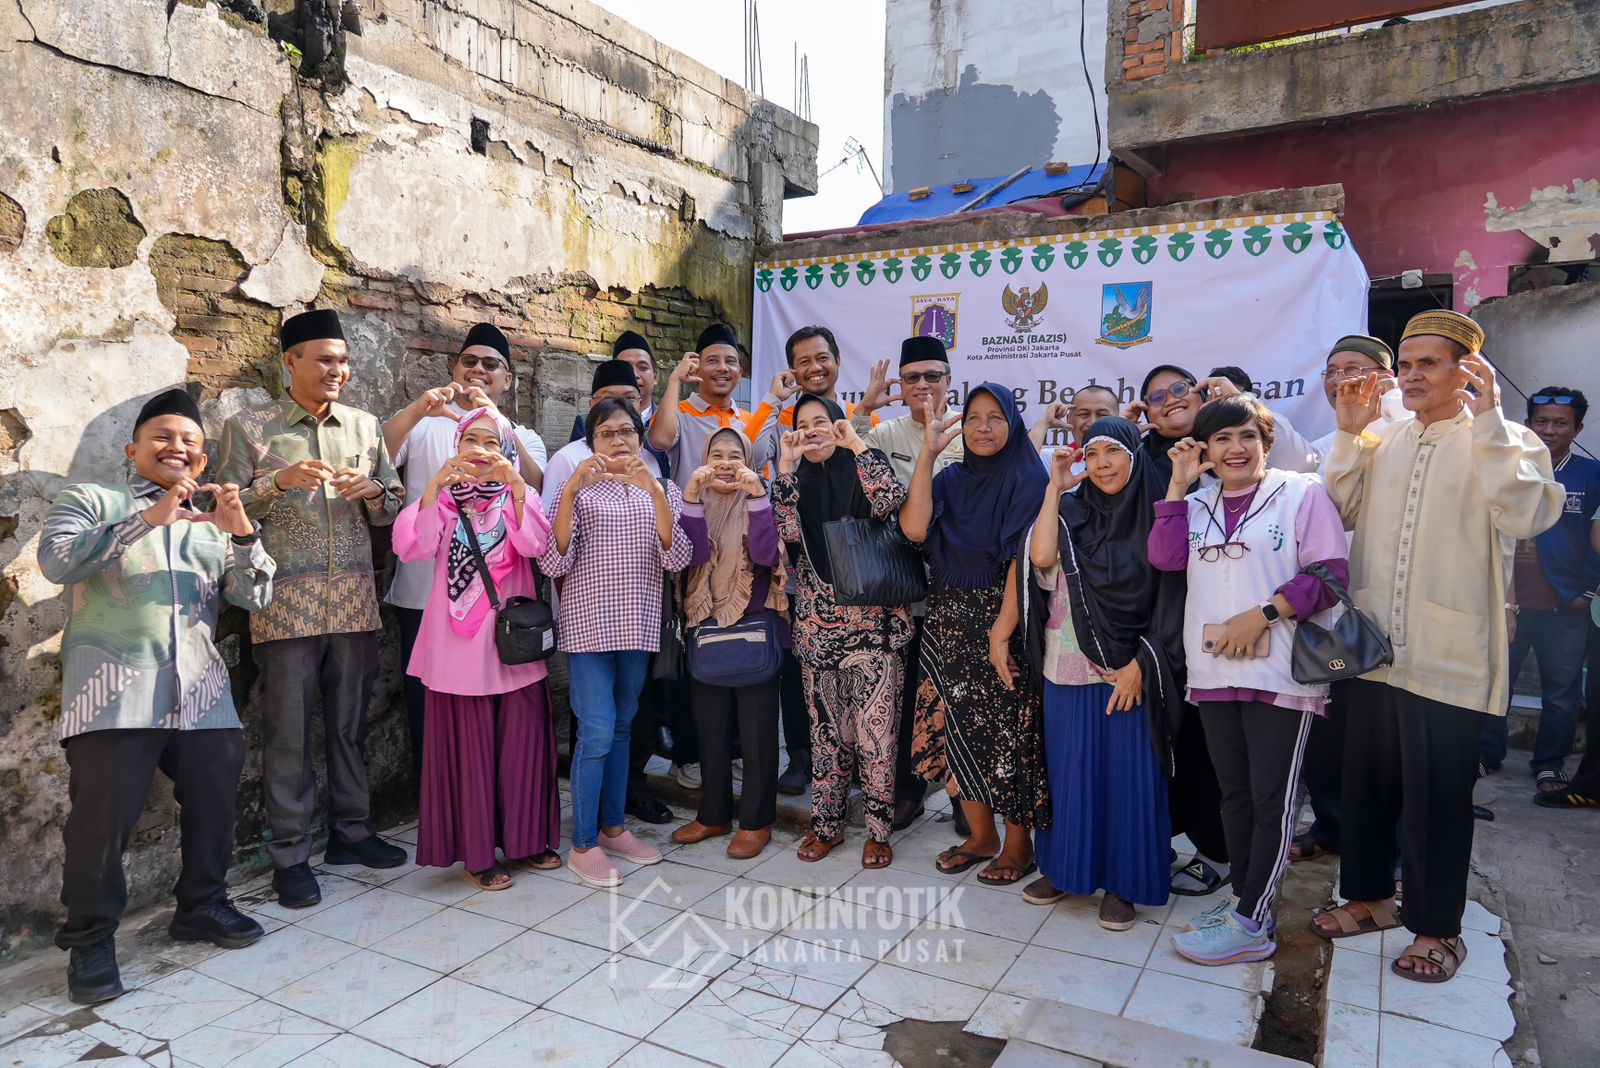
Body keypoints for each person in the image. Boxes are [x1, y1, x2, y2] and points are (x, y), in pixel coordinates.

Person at [1316, 309, 1562, 983]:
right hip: (1374, 647)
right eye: (1407, 362)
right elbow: (1336, 514)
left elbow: (1526, 513)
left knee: (1437, 798)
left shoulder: (1508, 440)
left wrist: (1488, 425)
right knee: (1363, 784)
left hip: (1450, 651)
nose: (1413, 374)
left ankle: (1437, 929)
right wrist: (1347, 435)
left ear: (1468, 371)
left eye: (1430, 362)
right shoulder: (1383, 438)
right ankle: (1370, 898)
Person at [41, 389, 275, 1005]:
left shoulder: (209, 522)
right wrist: (147, 519)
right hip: (112, 692)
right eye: (164, 438)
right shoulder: (93, 501)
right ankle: (90, 939)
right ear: (133, 448)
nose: (178, 449)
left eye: (191, 444)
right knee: (100, 824)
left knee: (215, 807)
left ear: (202, 460)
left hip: (201, 690)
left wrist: (244, 537)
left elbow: (256, 600)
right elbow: (57, 561)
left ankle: (202, 905)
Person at [1148, 396, 1349, 965]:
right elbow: (1164, 559)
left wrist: (1261, 615)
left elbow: (1330, 576)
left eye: (1246, 437)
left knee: (1272, 801)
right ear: (1205, 450)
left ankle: (1254, 923)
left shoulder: (1301, 494)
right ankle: (1243, 899)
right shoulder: (1198, 501)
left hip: (1280, 671)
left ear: (1265, 441)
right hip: (1214, 671)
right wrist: (1177, 485)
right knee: (1232, 795)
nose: (1235, 449)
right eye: (1222, 440)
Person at [218, 309, 408, 909]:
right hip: (283, 608)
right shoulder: (250, 428)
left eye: (344, 361)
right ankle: (291, 856)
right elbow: (222, 509)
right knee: (288, 736)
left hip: (353, 601)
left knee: (351, 726)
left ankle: (352, 834)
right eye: (325, 359)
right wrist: (277, 483)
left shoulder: (364, 425)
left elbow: (398, 505)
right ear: (290, 362)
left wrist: (376, 491)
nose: (338, 370)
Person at [1015, 417, 1183, 930]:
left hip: (1130, 668)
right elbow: (1041, 559)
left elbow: (1171, 599)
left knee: (1128, 779)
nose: (1104, 462)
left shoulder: (1159, 515)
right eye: (1094, 452)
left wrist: (1141, 665)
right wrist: (1054, 488)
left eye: (1114, 450)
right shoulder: (1068, 511)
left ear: (1135, 455)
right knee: (1070, 774)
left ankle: (1124, 885)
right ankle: (1066, 870)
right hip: (1065, 663)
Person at [391, 407, 559, 891]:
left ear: (505, 449)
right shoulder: (442, 502)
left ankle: (528, 841)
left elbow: (535, 547)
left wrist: (520, 488)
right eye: (471, 441)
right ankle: (479, 853)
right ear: (457, 449)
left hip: (513, 647)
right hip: (456, 651)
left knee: (522, 746)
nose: (481, 450)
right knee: (471, 753)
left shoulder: (517, 499)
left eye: (491, 441)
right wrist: (432, 488)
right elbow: (413, 547)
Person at [383, 322, 549, 778]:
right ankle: (442, 806)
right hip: (425, 595)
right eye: (469, 361)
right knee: (433, 710)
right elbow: (377, 455)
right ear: (453, 368)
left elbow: (535, 490)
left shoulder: (520, 435)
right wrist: (419, 410)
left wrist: (498, 427)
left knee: (499, 715)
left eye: (491, 364)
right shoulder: (424, 424)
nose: (479, 370)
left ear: (507, 379)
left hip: (500, 605)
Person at [901, 384, 1050, 884]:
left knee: (1006, 734)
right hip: (946, 619)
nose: (983, 428)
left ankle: (1018, 844)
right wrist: (928, 454)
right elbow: (917, 529)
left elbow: (1020, 563)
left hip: (1000, 621)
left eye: (995, 418)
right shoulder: (950, 479)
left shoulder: (1027, 478)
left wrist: (1000, 635)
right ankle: (981, 837)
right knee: (954, 729)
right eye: (974, 418)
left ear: (1013, 424)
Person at [543, 399, 693, 887]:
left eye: (627, 431)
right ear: (591, 442)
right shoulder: (579, 492)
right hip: (588, 630)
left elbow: (678, 557)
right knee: (598, 732)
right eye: (607, 433)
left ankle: (612, 828)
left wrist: (652, 490)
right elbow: (552, 562)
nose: (619, 440)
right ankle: (583, 843)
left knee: (624, 727)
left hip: (639, 628)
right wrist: (568, 492)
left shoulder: (660, 487)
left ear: (640, 437)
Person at [772, 394, 915, 867]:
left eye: (823, 422)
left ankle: (878, 831)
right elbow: (787, 533)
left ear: (837, 425)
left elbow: (892, 502)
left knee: (877, 735)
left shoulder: (861, 466)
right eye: (803, 424)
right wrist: (786, 466)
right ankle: (827, 826)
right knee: (827, 735)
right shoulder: (796, 480)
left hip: (872, 626)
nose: (812, 430)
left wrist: (855, 443)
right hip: (817, 627)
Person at [1293, 334, 1404, 862]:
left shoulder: (1411, 433)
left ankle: (1393, 848)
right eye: (1332, 370)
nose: (1341, 380)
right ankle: (1332, 828)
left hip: (1398, 611)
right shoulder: (1327, 439)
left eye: (1354, 369)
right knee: (1331, 734)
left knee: (1390, 740)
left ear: (1387, 377)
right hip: (1338, 609)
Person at [850, 336, 964, 829]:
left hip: (961, 588)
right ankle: (907, 791)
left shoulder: (972, 433)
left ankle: (968, 800)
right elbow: (843, 465)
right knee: (904, 694)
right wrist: (860, 414)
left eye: (932, 376)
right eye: (912, 377)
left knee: (958, 695)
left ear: (949, 381)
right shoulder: (884, 434)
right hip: (901, 589)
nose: (922, 385)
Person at [1129, 364, 1232, 896]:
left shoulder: (1232, 447)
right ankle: (1165, 841)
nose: (1169, 400)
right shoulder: (1143, 458)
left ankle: (1217, 851)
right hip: (1159, 624)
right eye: (1154, 397)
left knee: (1209, 749)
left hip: (1228, 625)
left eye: (1178, 389)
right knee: (1162, 743)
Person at [671, 427, 787, 860]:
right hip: (705, 622)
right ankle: (713, 814)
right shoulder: (695, 502)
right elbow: (693, 556)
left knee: (757, 735)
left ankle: (756, 822)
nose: (724, 462)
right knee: (711, 731)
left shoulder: (761, 499)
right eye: (715, 454)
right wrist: (691, 497)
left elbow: (765, 555)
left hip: (755, 623)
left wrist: (757, 496)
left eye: (734, 454)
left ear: (748, 460)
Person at [1479, 387, 1600, 791]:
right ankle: (1486, 754)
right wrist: (1505, 599)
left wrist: (1587, 590)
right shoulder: (1511, 467)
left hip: (1565, 606)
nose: (1549, 430)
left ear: (1578, 428)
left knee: (1562, 692)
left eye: (1560, 423)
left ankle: (1549, 763)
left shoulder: (1592, 475)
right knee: (1497, 682)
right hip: (1508, 599)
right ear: (1527, 424)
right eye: (1541, 422)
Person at [1199, 366, 1324, 473]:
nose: (1236, 449)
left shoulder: (1271, 426)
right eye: (1217, 396)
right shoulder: (1194, 442)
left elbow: (1304, 465)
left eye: (1248, 436)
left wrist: (1241, 401)